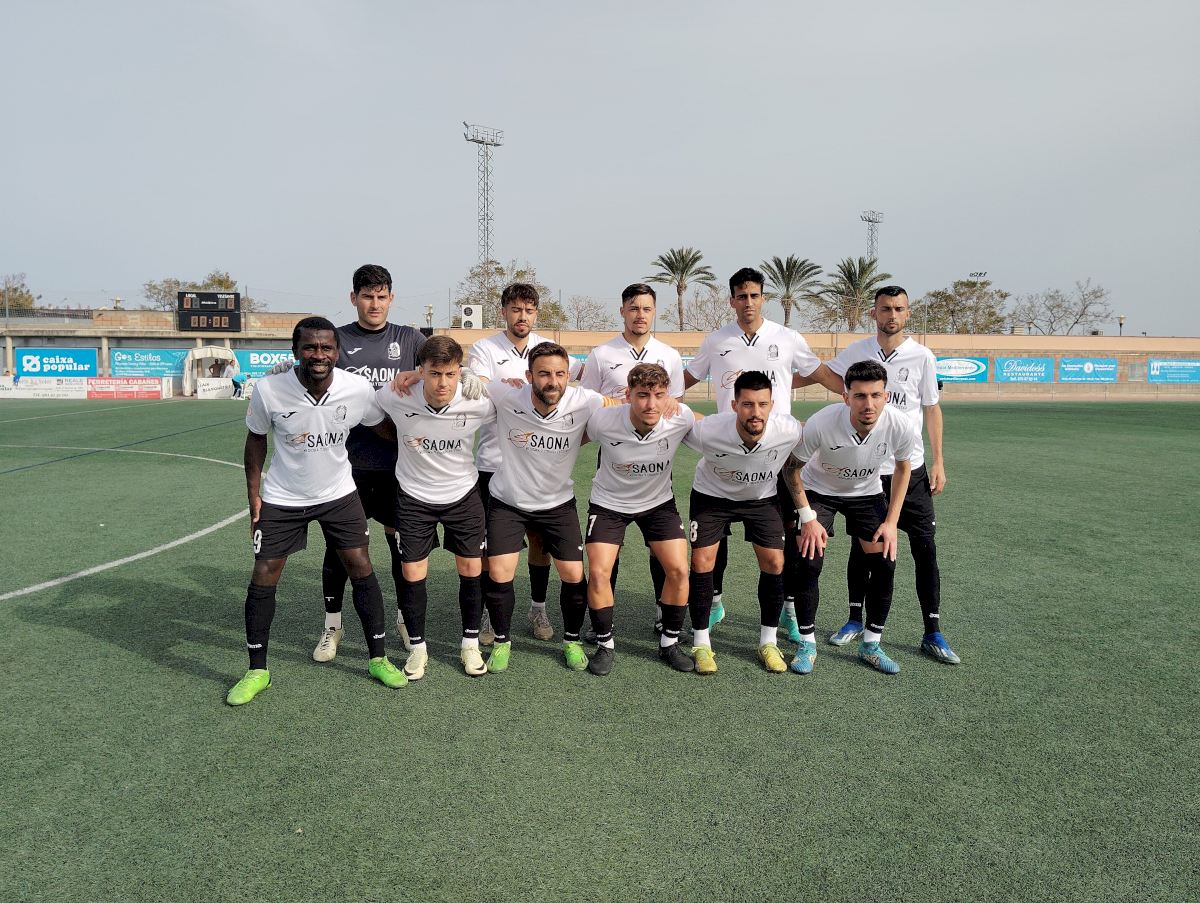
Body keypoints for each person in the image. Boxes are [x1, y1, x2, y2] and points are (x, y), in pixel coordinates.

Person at [227, 317, 406, 706]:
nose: (318, 355)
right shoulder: (270, 389)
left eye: (326, 347)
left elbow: (385, 428)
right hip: (284, 496)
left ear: (337, 352)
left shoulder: (356, 389)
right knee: (264, 572)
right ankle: (257, 671)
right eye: (309, 347)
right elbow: (255, 439)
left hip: (338, 493)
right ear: (296, 352)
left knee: (361, 565)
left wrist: (425, 426)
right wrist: (254, 497)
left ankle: (378, 659)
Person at [683, 267, 843, 629]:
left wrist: (848, 393)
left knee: (783, 537)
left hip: (777, 453)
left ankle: (788, 607)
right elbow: (689, 377)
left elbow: (818, 371)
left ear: (763, 298)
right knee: (714, 537)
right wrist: (660, 398)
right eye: (741, 296)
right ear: (731, 301)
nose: (748, 302)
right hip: (728, 448)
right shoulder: (716, 340)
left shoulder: (787, 338)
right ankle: (715, 600)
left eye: (754, 295)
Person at [821, 286, 960, 664]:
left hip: (909, 469)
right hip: (868, 469)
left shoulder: (922, 356)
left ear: (908, 313)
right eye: (885, 308)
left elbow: (931, 408)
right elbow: (826, 375)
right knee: (863, 549)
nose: (892, 315)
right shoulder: (857, 351)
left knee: (924, 548)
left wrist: (938, 461)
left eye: (899, 309)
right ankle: (854, 619)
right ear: (874, 313)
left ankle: (932, 631)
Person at [480, 341, 623, 673]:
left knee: (573, 575)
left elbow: (621, 403)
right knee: (500, 572)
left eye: (560, 374)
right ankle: (501, 642)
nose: (553, 381)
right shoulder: (506, 394)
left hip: (557, 504)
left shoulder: (584, 400)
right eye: (544, 374)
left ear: (569, 376)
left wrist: (667, 403)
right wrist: (415, 375)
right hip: (508, 502)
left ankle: (571, 641)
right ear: (529, 375)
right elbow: (467, 379)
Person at [310, 265, 425, 664]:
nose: (374, 304)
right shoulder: (337, 339)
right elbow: (311, 372)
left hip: (399, 467)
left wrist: (429, 372)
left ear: (391, 298)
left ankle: (405, 620)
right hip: (347, 466)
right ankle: (332, 625)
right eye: (367, 296)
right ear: (353, 298)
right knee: (339, 549)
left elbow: (440, 368)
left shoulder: (410, 339)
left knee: (402, 549)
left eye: (381, 296)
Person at [783, 360, 916, 676]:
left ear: (886, 396)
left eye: (876, 395)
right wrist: (808, 517)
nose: (868, 404)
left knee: (884, 561)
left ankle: (871, 644)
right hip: (819, 491)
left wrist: (891, 522)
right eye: (860, 396)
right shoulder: (822, 423)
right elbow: (791, 469)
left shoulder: (900, 425)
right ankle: (807, 644)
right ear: (846, 397)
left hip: (866, 494)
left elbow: (903, 468)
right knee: (808, 561)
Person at [373, 336, 496, 678]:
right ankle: (417, 649)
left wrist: (477, 378)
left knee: (471, 570)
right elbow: (360, 400)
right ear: (421, 370)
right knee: (412, 572)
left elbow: (521, 395)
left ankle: (470, 645)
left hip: (463, 495)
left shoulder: (477, 399)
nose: (443, 383)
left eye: (451, 374)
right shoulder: (397, 395)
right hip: (414, 497)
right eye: (434, 373)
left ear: (460, 371)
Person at [466, 283, 582, 644]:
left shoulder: (549, 349)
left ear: (536, 314)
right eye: (516, 309)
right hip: (494, 462)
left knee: (540, 542)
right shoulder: (484, 348)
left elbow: (577, 383)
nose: (523, 316)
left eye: (529, 310)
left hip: (539, 463)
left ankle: (537, 607)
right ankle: (490, 613)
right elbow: (479, 385)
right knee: (493, 550)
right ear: (504, 311)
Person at [681, 370, 805, 675]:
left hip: (761, 499)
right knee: (702, 561)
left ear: (772, 405)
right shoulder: (709, 431)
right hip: (712, 497)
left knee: (774, 562)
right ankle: (701, 643)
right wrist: (675, 406)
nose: (755, 412)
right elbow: (678, 425)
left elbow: (818, 439)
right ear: (734, 405)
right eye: (748, 404)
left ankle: (768, 642)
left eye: (762, 404)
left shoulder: (788, 430)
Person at [579, 282, 686, 630]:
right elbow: (587, 402)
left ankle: (662, 610)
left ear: (654, 312)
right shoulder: (601, 354)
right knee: (610, 547)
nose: (641, 315)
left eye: (647, 308)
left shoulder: (669, 355)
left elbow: (675, 405)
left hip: (654, 455)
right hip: (615, 450)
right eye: (634, 308)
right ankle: (602, 622)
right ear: (623, 311)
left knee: (660, 543)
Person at [581, 363, 695, 675]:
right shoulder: (604, 419)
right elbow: (570, 438)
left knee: (679, 570)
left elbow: (712, 431)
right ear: (628, 394)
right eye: (643, 395)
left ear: (668, 395)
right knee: (599, 571)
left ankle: (669, 642)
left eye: (659, 395)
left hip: (658, 504)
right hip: (608, 504)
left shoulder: (680, 417)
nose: (651, 404)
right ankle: (605, 644)